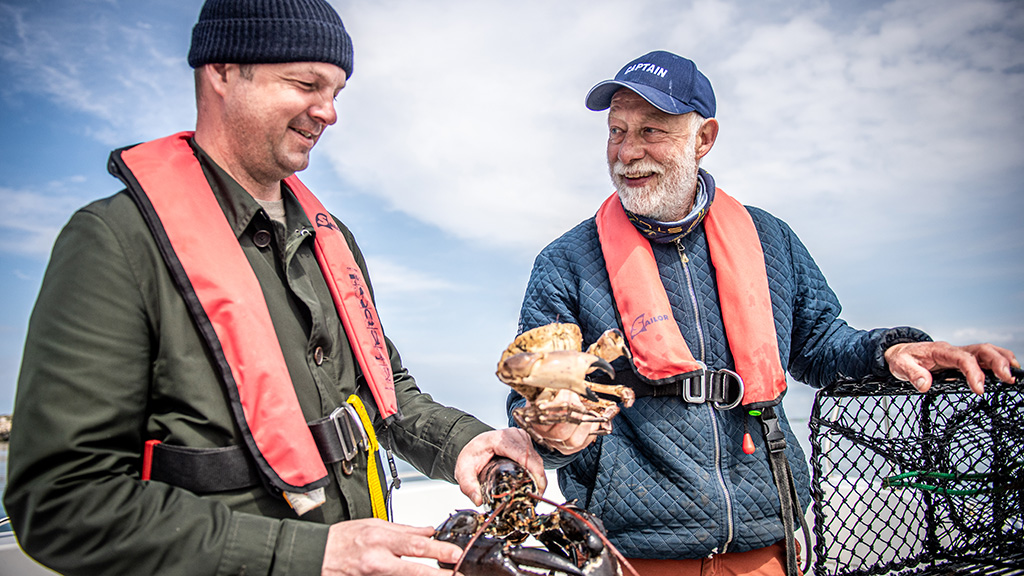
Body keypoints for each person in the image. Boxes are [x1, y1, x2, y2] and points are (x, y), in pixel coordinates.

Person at [2, 1, 545, 575]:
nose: (329, 113)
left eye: (337, 91)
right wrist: (313, 555)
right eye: (306, 84)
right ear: (222, 71)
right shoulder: (114, 241)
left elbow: (390, 393)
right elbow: (62, 501)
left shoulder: (331, 243)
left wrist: (466, 443)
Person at [507, 50, 1019, 576]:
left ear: (703, 139)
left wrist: (891, 349)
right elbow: (533, 404)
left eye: (652, 131)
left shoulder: (770, 238)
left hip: (767, 543)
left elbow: (821, 345)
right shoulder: (564, 263)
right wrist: (553, 431)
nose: (627, 152)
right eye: (617, 131)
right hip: (631, 552)